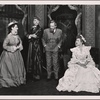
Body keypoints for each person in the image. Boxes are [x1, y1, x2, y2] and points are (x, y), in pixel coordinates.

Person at [0, 21, 26, 88]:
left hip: (17, 54)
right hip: (9, 55)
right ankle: (12, 81)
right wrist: (12, 48)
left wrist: (19, 46)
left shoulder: (17, 36)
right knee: (10, 68)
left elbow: (20, 42)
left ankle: (18, 80)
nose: (17, 28)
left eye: (17, 27)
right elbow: (4, 46)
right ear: (12, 28)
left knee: (17, 67)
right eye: (16, 27)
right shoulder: (8, 37)